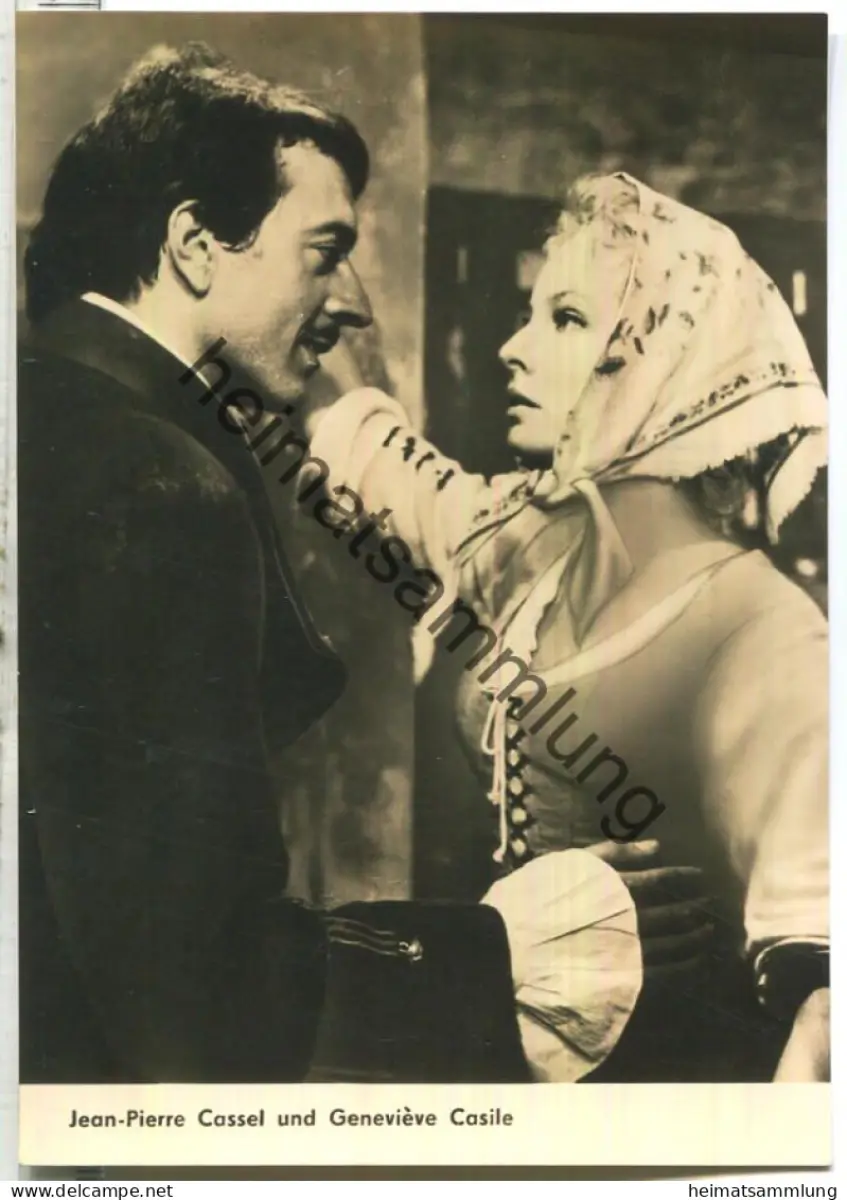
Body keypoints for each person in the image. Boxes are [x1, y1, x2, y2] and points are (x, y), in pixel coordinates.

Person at [17, 46, 706, 1087]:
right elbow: (195, 994)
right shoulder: (156, 488)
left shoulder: (52, 422)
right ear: (196, 245)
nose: (352, 304)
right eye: (325, 250)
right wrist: (496, 951)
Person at [301, 173, 830, 1082]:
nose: (511, 349)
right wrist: (311, 290)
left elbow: (821, 985)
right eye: (526, 314)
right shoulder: (526, 542)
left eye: (567, 319)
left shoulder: (764, 632)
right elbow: (382, 457)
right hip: (507, 1062)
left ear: (666, 363)